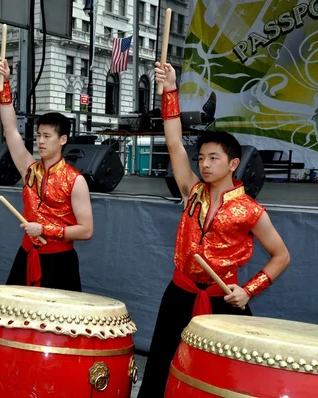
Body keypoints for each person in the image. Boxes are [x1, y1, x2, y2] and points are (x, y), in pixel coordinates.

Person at [136, 63, 291, 397]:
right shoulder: (191, 190)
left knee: (224, 375)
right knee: (162, 363)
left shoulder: (249, 210)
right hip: (180, 292)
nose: (204, 164)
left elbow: (281, 256)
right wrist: (170, 91)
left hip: (223, 299)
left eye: (213, 158)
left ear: (233, 164)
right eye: (202, 158)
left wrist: (248, 291)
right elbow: (175, 143)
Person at [0, 57, 93, 292]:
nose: (40, 141)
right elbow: (10, 129)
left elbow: (86, 230)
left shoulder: (75, 180)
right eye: (38, 135)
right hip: (27, 253)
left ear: (62, 140)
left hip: (59, 262)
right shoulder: (29, 169)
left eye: (47, 136)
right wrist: (5, 84)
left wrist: (45, 229)